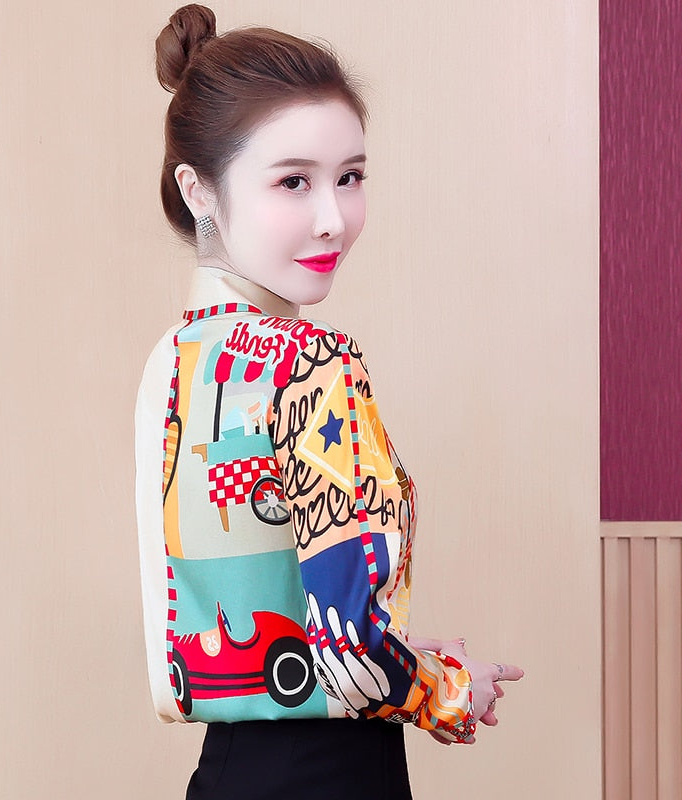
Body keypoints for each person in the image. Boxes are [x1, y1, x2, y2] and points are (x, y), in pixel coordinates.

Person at [135, 5, 524, 798]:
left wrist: (408, 658)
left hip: (228, 774)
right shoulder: (312, 361)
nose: (332, 218)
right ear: (198, 190)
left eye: (350, 177)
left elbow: (249, 625)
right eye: (293, 181)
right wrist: (453, 689)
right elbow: (353, 653)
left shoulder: (172, 362)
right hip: (329, 776)